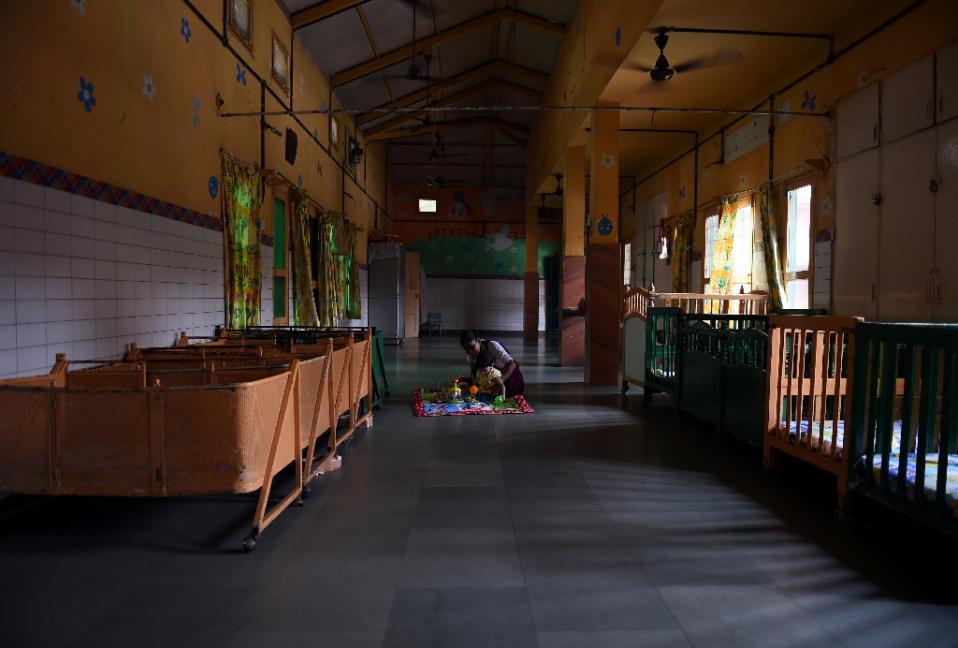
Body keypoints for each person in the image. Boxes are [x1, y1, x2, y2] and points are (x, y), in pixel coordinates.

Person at [460, 330, 525, 396]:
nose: (470, 351)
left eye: (472, 347)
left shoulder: (492, 345)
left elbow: (512, 364)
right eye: (466, 349)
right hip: (489, 379)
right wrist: (476, 388)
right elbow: (473, 372)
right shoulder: (470, 356)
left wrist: (497, 385)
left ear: (478, 340)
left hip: (507, 377)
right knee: (463, 384)